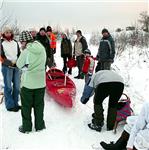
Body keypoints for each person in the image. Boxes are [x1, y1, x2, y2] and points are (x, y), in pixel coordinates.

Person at [17, 31, 46, 133]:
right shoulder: (42, 48)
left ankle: (26, 127)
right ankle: (40, 126)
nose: (21, 44)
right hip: (41, 82)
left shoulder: (26, 51)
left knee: (26, 106)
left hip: (28, 84)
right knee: (39, 105)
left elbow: (19, 64)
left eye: (21, 42)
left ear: (25, 41)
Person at [0, 26, 21, 112]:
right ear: (3, 33)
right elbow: (1, 56)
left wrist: (19, 62)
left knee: (17, 86)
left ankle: (15, 103)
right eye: (6, 32)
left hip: (16, 67)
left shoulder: (15, 42)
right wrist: (9, 63)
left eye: (9, 32)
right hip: (7, 67)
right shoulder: (1, 43)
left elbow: (19, 53)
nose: (8, 33)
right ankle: (10, 105)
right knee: (8, 86)